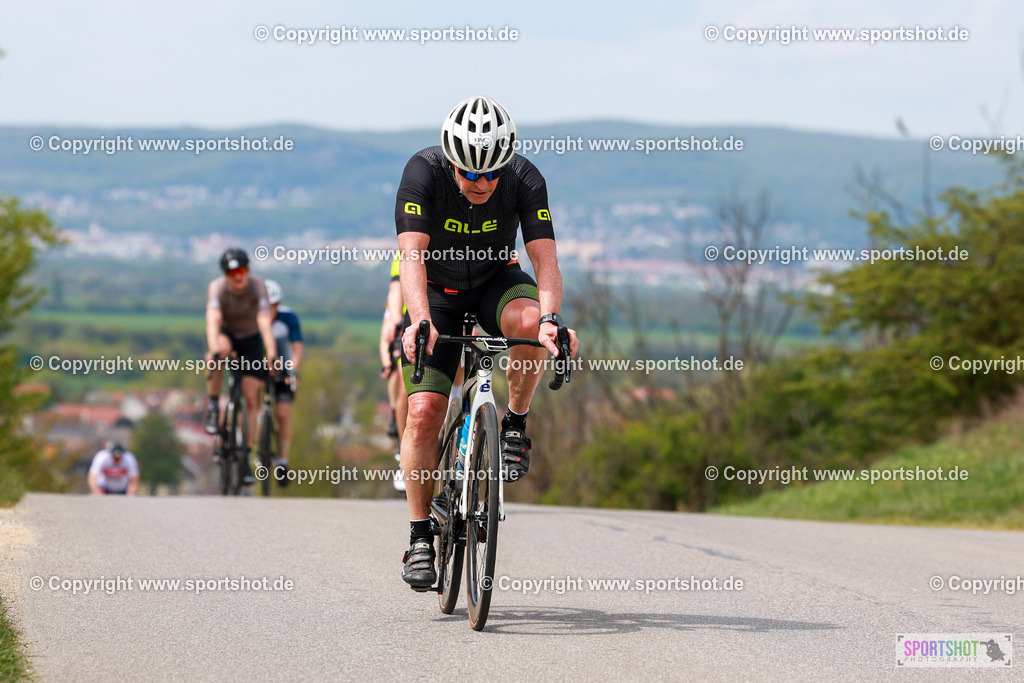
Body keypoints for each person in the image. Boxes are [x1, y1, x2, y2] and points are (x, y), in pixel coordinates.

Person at [396, 95, 579, 589]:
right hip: (438, 292)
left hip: (497, 281)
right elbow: (411, 256)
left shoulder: (524, 178)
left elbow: (544, 259)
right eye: (469, 174)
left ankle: (514, 423)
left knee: (529, 320)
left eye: (490, 174)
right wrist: (418, 319)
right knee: (422, 413)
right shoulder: (423, 173)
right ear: (451, 162)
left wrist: (551, 320)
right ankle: (418, 536)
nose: (480, 184)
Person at [203, 248, 278, 486]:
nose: (238, 276)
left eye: (242, 270)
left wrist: (273, 353)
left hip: (251, 338)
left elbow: (265, 322)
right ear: (225, 274)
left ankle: (246, 455)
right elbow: (213, 321)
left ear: (248, 270)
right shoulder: (217, 288)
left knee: (251, 394)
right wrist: (214, 349)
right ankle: (214, 404)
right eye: (232, 272)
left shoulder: (258, 287)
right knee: (217, 354)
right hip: (226, 334)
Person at [265, 279, 302, 487]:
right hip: (258, 368)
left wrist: (293, 370)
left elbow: (297, 348)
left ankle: (282, 461)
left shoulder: (288, 318)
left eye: (273, 305)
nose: (270, 309)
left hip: (283, 369)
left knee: (283, 413)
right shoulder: (251, 317)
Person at [379, 254, 409, 491]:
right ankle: (404, 450)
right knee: (399, 372)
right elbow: (396, 290)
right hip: (411, 317)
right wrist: (397, 322)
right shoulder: (408, 247)